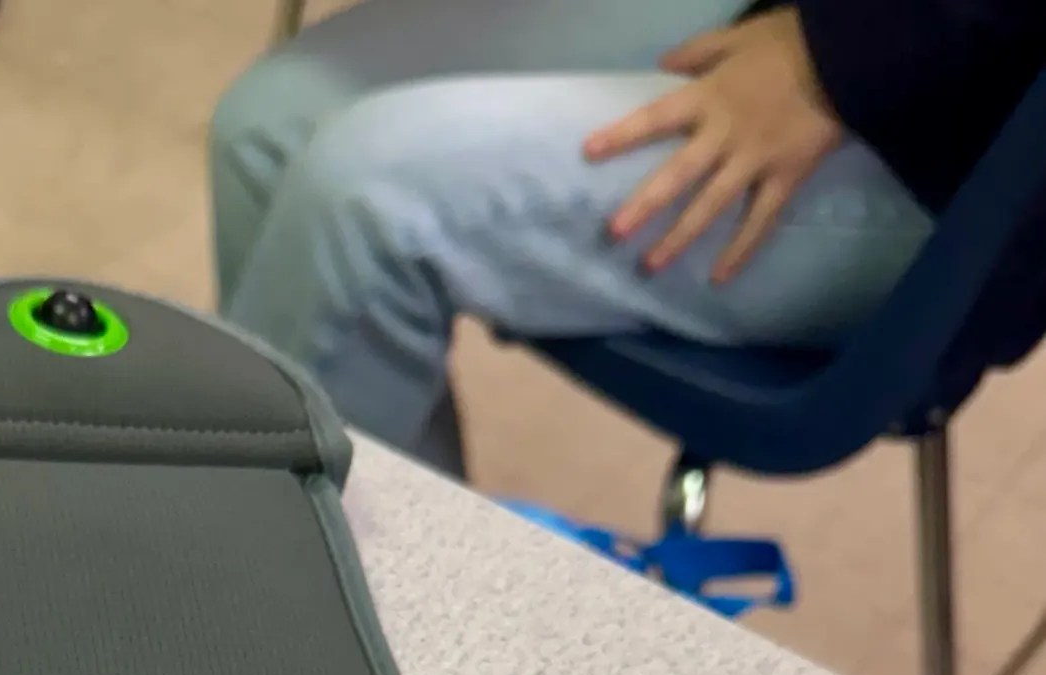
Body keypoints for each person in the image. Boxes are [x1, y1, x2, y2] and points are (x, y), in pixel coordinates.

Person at [210, 0, 1046, 479]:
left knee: (367, 195)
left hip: (965, 125)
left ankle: (310, 667)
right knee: (270, 123)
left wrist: (833, 61)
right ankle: (348, 599)